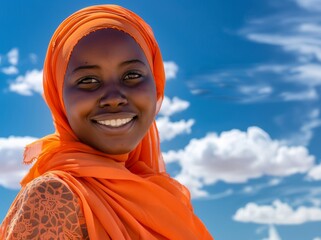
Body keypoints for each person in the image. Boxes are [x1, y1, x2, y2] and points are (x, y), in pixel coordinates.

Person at [0, 4, 213, 239]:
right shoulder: (55, 197)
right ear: (59, 98)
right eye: (88, 80)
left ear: (156, 85)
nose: (113, 98)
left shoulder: (164, 200)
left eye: (132, 76)